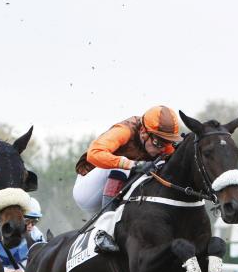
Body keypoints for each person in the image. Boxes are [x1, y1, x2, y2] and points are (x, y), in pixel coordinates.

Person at [73, 105, 182, 253]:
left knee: (160, 166)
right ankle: (103, 231)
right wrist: (132, 164)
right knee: (123, 164)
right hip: (88, 191)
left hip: (116, 193)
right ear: (143, 132)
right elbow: (94, 153)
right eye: (158, 143)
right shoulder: (124, 130)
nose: (162, 149)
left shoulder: (161, 145)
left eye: (167, 143)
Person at [0, 197, 46, 272]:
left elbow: (43, 262)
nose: (30, 226)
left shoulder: (37, 236)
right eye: (27, 221)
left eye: (34, 222)